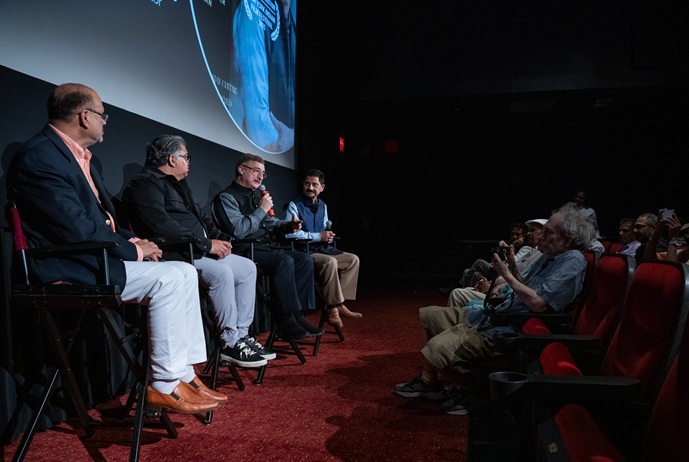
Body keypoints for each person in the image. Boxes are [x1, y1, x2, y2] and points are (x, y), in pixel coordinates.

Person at [6, 84, 223, 415]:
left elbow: (103, 222)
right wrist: (132, 251)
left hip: (93, 254)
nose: (105, 122)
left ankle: (183, 374)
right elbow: (74, 228)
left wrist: (132, 240)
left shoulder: (84, 160)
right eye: (102, 115)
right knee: (168, 279)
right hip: (66, 264)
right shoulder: (39, 156)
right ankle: (164, 383)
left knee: (184, 271)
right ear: (85, 116)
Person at [394, 207, 594, 415]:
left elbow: (538, 304)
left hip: (511, 327)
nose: (540, 236)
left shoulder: (573, 260)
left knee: (436, 348)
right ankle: (431, 382)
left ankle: (477, 389)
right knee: (429, 317)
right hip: (498, 314)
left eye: (548, 232)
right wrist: (511, 266)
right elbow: (526, 285)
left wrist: (505, 274)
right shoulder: (550, 256)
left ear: (567, 240)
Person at [123, 134, 274, 369]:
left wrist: (223, 240)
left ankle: (242, 335)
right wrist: (206, 244)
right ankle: (229, 342)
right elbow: (160, 225)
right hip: (174, 254)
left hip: (197, 249)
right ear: (172, 159)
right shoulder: (144, 184)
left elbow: (204, 221)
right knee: (221, 272)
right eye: (186, 157)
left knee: (246, 267)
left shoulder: (180, 185)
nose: (188, 161)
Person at [211, 153, 322, 340]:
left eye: (263, 173)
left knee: (304, 259)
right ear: (241, 169)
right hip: (243, 251)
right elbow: (238, 230)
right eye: (256, 171)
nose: (260, 176)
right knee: (284, 261)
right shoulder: (226, 197)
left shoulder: (256, 198)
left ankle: (298, 316)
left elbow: (270, 223)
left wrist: (290, 225)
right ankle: (286, 321)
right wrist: (261, 209)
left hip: (264, 248)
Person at [284, 169, 361, 327]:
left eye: (314, 184)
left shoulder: (323, 206)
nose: (310, 188)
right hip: (303, 251)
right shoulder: (294, 205)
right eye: (307, 184)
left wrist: (328, 236)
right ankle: (332, 308)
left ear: (322, 187)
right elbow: (290, 234)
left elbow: (324, 229)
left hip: (322, 249)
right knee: (330, 262)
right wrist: (319, 236)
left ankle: (339, 304)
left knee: (353, 260)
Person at [231, 0, 296, 152]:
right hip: (255, 151)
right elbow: (260, 129)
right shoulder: (254, 7)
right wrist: (286, 140)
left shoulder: (291, 28)